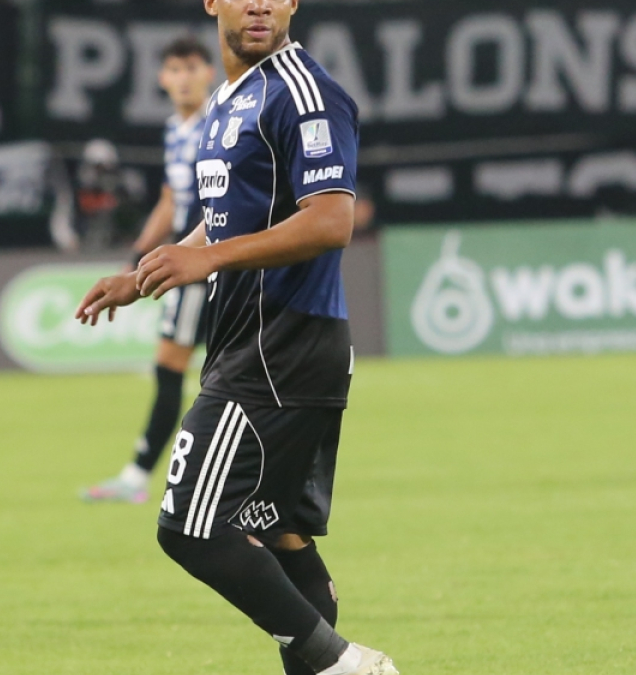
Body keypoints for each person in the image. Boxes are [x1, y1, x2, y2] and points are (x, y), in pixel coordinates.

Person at [74, 1, 398, 673]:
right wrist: (147, 273)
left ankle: (346, 665)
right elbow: (223, 221)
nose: (259, 4)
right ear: (212, 1)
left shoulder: (304, 92)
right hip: (256, 341)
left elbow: (333, 220)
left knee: (189, 525)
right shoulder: (230, 101)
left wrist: (210, 259)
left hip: (281, 345)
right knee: (275, 533)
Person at [83, 36, 216, 504]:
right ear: (162, 78)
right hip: (186, 259)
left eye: (191, 68)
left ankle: (141, 476)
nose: (183, 78)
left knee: (173, 370)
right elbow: (169, 199)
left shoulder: (217, 123)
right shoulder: (175, 129)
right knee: (201, 371)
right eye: (174, 70)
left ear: (208, 73)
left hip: (201, 264)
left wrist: (180, 255)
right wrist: (138, 255)